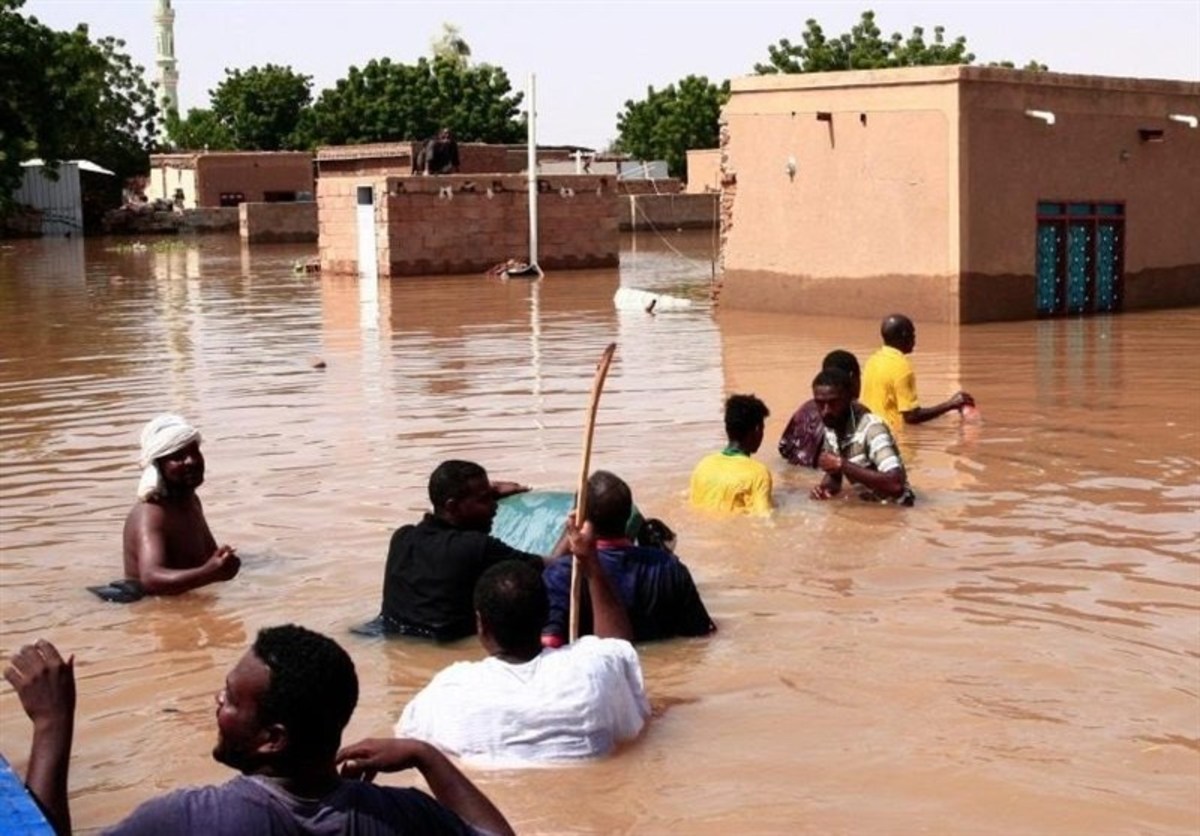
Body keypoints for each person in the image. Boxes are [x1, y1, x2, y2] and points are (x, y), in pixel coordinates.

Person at [4, 628, 514, 835]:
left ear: (272, 738)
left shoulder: (190, 819)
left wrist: (52, 725)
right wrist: (426, 756)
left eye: (229, 699)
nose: (215, 702)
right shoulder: (397, 816)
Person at [396, 516, 650, 765]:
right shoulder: (590, 671)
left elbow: (409, 741)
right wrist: (590, 561)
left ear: (481, 625)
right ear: (547, 615)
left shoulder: (448, 690)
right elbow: (619, 649)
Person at [378, 460, 561, 642]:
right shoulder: (475, 547)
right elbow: (555, 566)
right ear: (451, 506)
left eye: (491, 497)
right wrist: (574, 526)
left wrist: (485, 495)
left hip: (388, 636)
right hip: (447, 646)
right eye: (483, 500)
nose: (494, 507)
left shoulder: (402, 537)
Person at [542, 470, 715, 646]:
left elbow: (550, 642)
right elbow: (702, 634)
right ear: (628, 515)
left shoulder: (564, 574)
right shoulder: (669, 566)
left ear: (580, 518)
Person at [118, 414, 240, 597]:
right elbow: (151, 579)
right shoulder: (151, 513)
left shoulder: (190, 500)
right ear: (159, 465)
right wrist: (210, 573)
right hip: (154, 609)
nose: (191, 461)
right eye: (178, 457)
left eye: (194, 452)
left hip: (188, 601)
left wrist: (223, 563)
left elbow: (208, 557)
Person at [809, 368, 914, 505]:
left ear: (848, 398)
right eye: (820, 403)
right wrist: (824, 489)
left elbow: (896, 485)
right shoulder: (831, 426)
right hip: (871, 510)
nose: (826, 411)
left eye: (833, 403)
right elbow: (834, 477)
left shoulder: (872, 429)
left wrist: (843, 465)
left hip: (899, 510)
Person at [860, 314, 975, 435]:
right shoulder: (902, 368)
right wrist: (951, 404)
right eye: (913, 333)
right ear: (905, 335)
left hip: (870, 434)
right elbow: (911, 417)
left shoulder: (872, 361)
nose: (915, 339)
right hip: (893, 439)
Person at [689, 394, 773, 515]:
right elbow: (765, 520)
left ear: (727, 428)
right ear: (757, 430)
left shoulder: (703, 466)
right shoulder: (758, 474)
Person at [778, 349, 861, 468]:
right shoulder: (855, 413)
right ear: (853, 377)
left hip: (794, 473)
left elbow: (783, 447)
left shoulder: (804, 409)